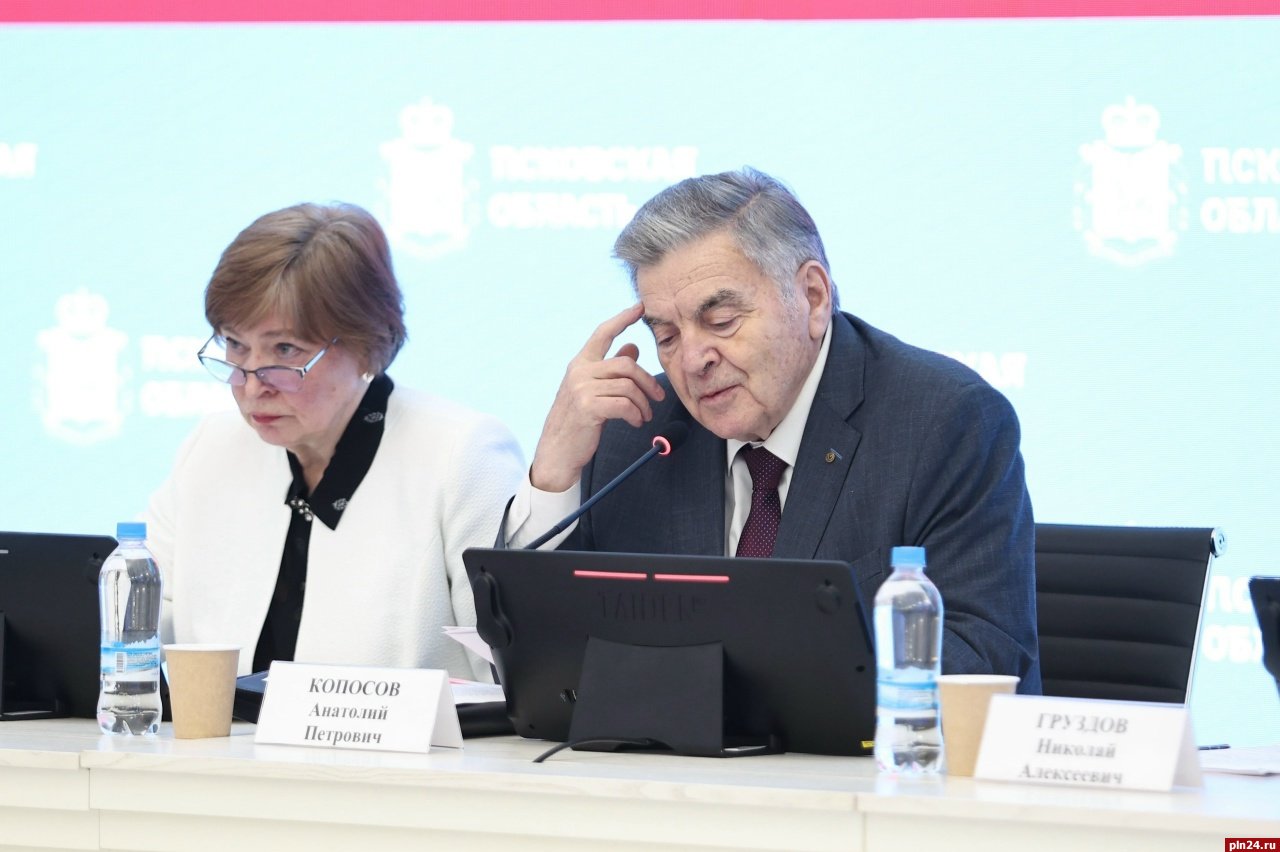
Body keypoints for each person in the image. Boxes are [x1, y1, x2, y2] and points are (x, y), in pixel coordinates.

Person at [503, 167, 1040, 691]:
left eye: (721, 321)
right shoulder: (636, 431)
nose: (692, 360)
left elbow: (983, 659)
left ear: (812, 297)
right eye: (666, 336)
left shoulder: (943, 422)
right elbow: (537, 656)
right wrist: (553, 473)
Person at [147, 202, 523, 681]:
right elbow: (138, 627)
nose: (251, 384)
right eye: (235, 345)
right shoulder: (211, 447)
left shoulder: (461, 454)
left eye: (285, 349)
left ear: (367, 343)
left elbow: (511, 673)